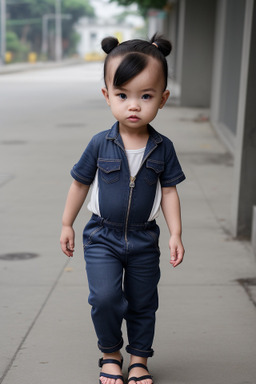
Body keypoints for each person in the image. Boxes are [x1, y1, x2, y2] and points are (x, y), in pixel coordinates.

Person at [60, 33, 185, 384]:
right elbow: (79, 184)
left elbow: (170, 191)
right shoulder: (100, 144)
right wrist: (67, 223)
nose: (134, 105)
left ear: (163, 99)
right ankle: (111, 353)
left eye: (145, 96)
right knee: (105, 297)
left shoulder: (163, 148)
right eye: (122, 95)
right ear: (107, 96)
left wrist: (175, 232)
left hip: (144, 239)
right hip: (102, 235)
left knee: (143, 302)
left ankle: (140, 360)